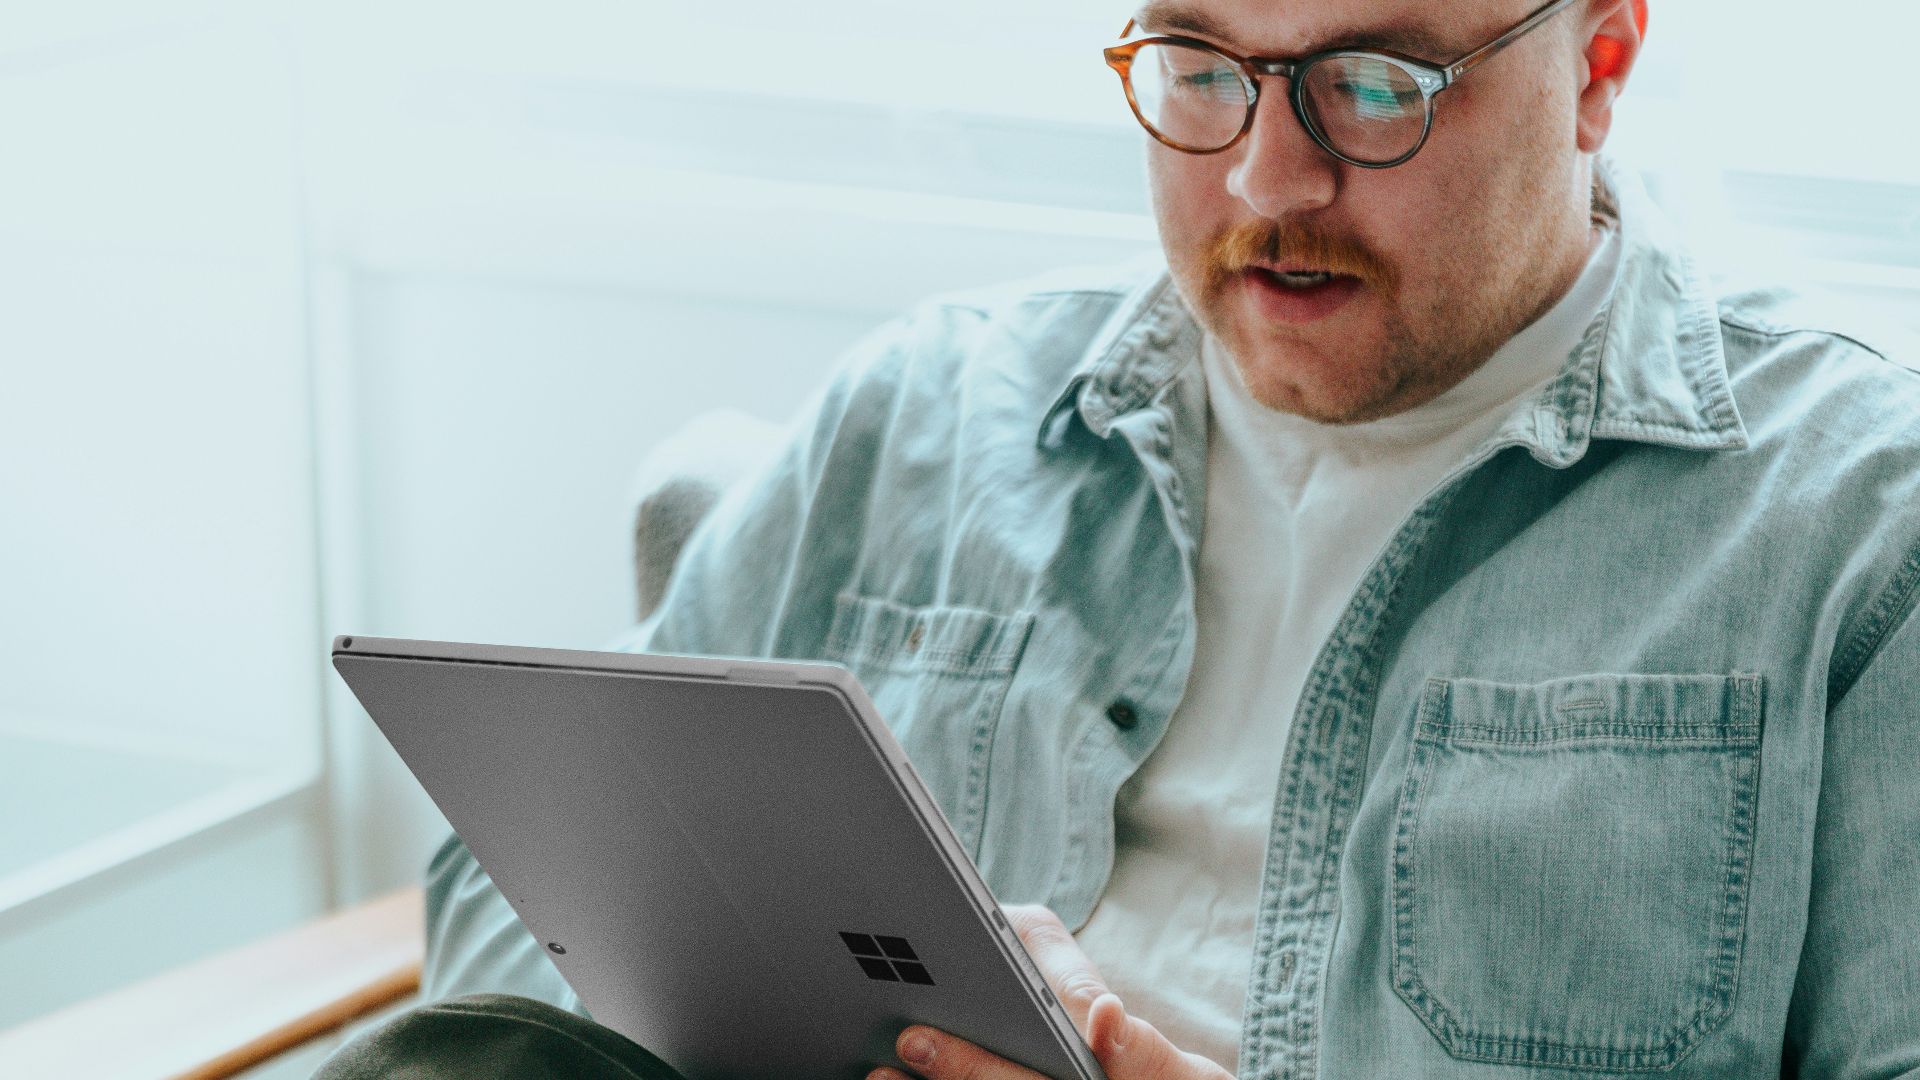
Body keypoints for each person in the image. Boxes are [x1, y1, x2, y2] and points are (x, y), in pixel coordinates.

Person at [317, 0, 1920, 1076]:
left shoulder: (1852, 537)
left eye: (1374, 85)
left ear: (1601, 63)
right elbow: (514, 903)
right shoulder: (923, 414)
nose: (1267, 176)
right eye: (1202, 68)